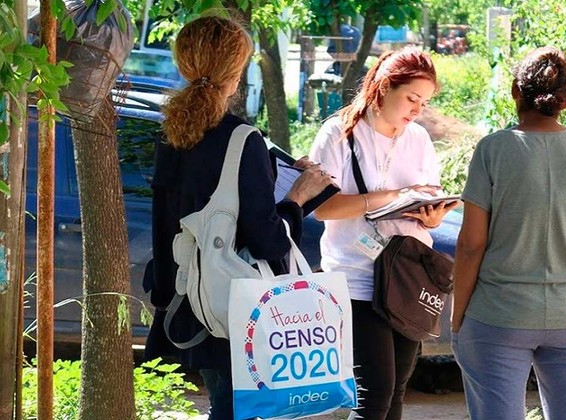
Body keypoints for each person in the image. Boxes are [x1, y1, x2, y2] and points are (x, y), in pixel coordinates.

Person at [142, 15, 333, 419]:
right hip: (237, 305)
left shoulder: (171, 135)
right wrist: (297, 197)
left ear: (184, 64)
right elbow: (268, 240)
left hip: (190, 298)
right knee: (238, 410)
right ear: (236, 70)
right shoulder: (241, 139)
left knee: (225, 406)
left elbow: (173, 217)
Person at [451, 47, 566, 420]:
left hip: (497, 316)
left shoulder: (493, 149)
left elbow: (471, 245)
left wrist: (458, 319)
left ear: (515, 91)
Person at [309, 47, 459, 420]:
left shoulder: (418, 139)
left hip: (407, 277)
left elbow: (428, 200)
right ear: (383, 87)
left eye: (424, 102)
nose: (417, 110)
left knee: (395, 394)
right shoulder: (339, 133)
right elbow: (322, 208)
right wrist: (392, 196)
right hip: (356, 277)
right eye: (411, 98)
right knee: (374, 394)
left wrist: (431, 217)